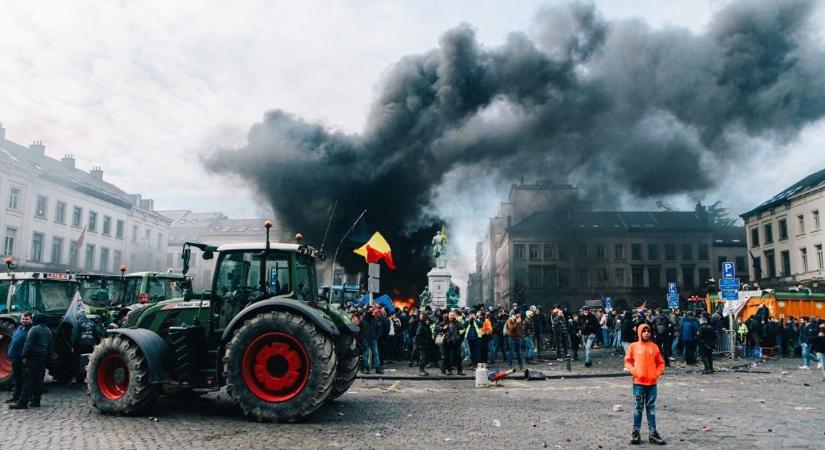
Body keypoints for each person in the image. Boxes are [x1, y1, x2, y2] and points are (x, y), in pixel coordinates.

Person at [624, 324, 666, 445]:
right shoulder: (633, 346)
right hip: (638, 383)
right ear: (639, 333)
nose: (646, 333)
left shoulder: (654, 347)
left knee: (651, 408)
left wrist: (656, 374)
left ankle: (653, 433)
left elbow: (661, 363)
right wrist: (634, 371)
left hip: (652, 383)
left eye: (648, 331)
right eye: (644, 331)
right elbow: (627, 361)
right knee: (638, 407)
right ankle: (635, 432)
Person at [10, 314, 54, 409]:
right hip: (43, 357)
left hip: (32, 357)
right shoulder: (48, 331)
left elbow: (28, 345)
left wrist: (24, 356)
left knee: (28, 379)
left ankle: (23, 402)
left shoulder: (34, 329)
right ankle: (36, 401)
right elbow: (50, 346)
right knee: (38, 380)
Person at [4, 312, 32, 404]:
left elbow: (28, 346)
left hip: (22, 358)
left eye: (26, 319)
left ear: (31, 320)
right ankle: (15, 397)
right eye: (23, 319)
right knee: (17, 378)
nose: (24, 320)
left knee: (22, 378)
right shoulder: (19, 328)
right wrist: (9, 351)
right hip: (15, 357)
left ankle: (22, 398)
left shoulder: (30, 331)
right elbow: (13, 340)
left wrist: (25, 357)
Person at [439, 311, 464, 375]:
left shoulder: (457, 323)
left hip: (456, 341)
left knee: (458, 356)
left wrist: (456, 321)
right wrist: (443, 328)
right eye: (451, 315)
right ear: (448, 316)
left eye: (453, 315)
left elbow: (462, 328)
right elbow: (438, 329)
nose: (452, 317)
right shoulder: (444, 322)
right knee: (448, 357)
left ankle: (460, 370)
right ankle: (449, 370)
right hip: (447, 341)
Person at [359, 308, 382, 374]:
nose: (371, 312)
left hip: (371, 339)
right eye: (370, 310)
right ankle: (370, 368)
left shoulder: (367, 320)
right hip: (367, 339)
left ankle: (371, 368)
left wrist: (376, 336)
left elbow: (378, 329)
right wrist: (362, 338)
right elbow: (360, 330)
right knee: (370, 354)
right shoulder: (365, 320)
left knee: (372, 354)